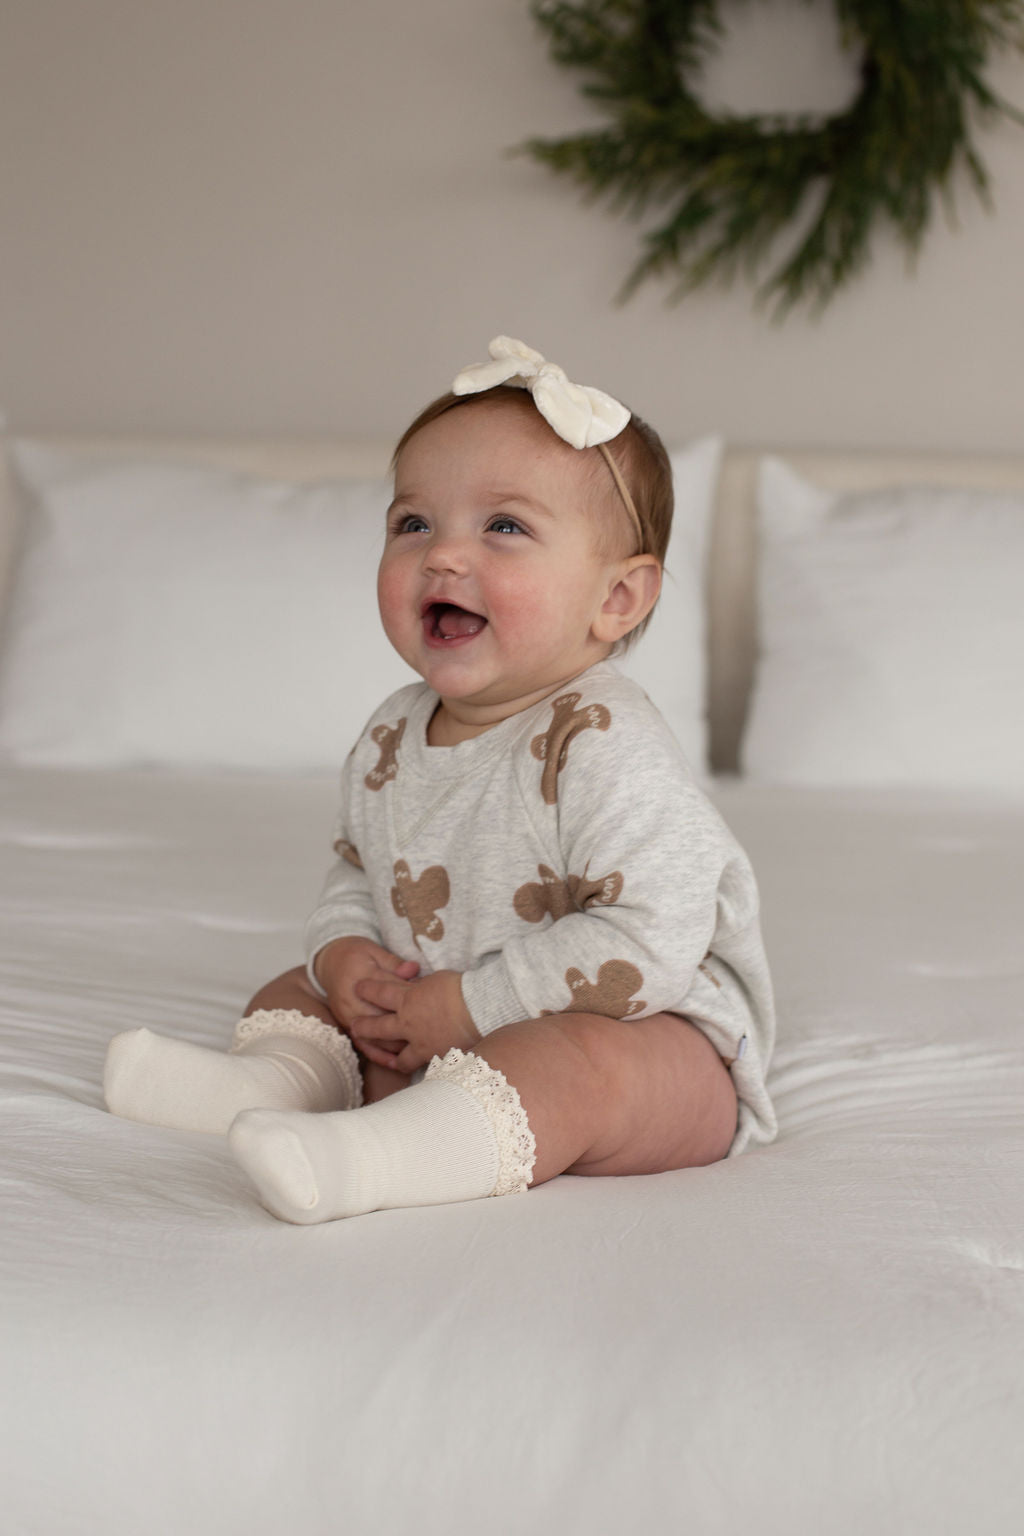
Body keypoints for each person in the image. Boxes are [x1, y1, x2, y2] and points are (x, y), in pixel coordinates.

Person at [105, 336, 777, 1223]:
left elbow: (651, 941)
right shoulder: (393, 729)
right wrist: (346, 956)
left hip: (649, 1035)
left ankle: (371, 1158)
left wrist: (472, 1005)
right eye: (412, 523)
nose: (443, 556)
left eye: (504, 527)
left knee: (576, 1066)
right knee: (296, 991)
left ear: (616, 599)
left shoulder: (607, 742)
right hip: (437, 1011)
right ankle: (267, 1087)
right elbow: (359, 866)